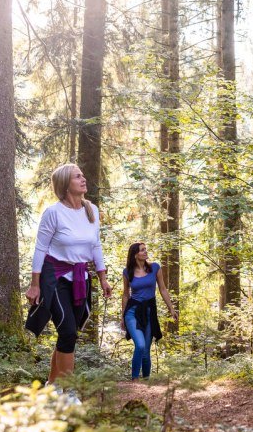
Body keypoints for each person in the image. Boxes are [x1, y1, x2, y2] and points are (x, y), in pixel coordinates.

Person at [24, 164, 112, 390]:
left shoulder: (91, 209)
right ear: (65, 184)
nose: (84, 179)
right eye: (77, 176)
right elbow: (40, 249)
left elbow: (96, 245)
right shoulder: (53, 213)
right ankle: (67, 390)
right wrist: (35, 285)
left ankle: (52, 385)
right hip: (54, 278)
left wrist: (103, 278)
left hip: (80, 278)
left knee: (69, 333)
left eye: (83, 175)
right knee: (67, 331)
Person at [121, 242, 178, 380]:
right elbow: (125, 294)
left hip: (149, 311)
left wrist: (171, 308)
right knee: (140, 345)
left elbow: (163, 289)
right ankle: (135, 379)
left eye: (146, 249)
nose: (146, 252)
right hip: (132, 312)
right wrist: (122, 317)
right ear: (135, 254)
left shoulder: (155, 268)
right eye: (142, 250)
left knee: (146, 351)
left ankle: (146, 383)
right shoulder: (127, 272)